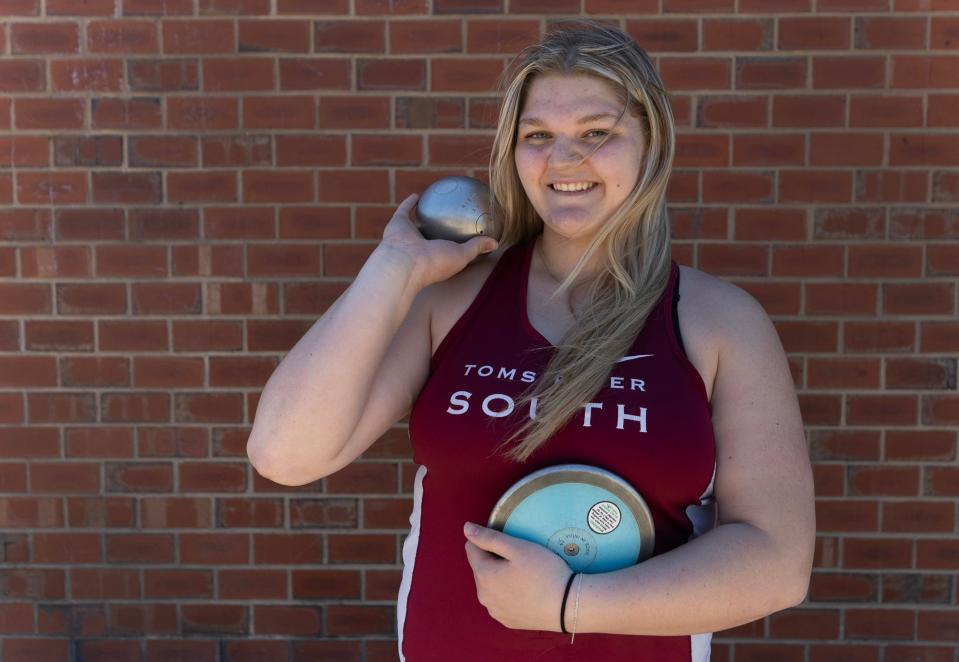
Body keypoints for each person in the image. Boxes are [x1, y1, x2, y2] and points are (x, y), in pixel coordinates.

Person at [246, 20, 816, 662]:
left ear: (650, 143)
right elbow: (283, 454)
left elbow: (777, 561)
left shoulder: (718, 321)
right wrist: (393, 269)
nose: (563, 159)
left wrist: (569, 604)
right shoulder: (451, 300)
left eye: (596, 133)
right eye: (537, 136)